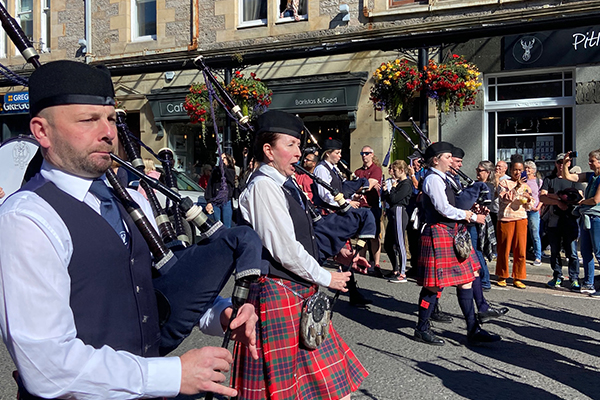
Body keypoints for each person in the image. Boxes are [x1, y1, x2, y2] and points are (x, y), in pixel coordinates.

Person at [0, 60, 260, 399]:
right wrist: (173, 374)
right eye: (88, 119)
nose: (108, 131)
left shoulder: (129, 200)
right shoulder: (26, 218)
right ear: (42, 131)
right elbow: (47, 366)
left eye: (109, 117)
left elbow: (151, 288)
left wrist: (220, 312)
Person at [236, 110, 368, 399]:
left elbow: (304, 234)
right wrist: (326, 277)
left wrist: (341, 253)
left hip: (298, 292)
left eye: (299, 145)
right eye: (291, 145)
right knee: (297, 391)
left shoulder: (285, 183)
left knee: (336, 387)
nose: (300, 153)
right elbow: (284, 249)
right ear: (269, 150)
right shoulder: (263, 187)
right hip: (278, 294)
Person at [414, 141, 500, 346]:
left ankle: (473, 329)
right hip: (438, 232)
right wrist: (470, 216)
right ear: (436, 160)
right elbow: (443, 208)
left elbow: (456, 203)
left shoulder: (446, 179)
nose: (451, 160)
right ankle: (422, 328)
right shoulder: (433, 179)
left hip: (452, 232)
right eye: (447, 157)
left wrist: (476, 208)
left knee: (467, 279)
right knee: (433, 286)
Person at [539, 153, 584, 291]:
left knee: (572, 252)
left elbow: (580, 197)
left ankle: (574, 278)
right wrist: (558, 202)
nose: (561, 164)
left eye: (564, 162)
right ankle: (557, 276)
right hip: (554, 220)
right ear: (555, 163)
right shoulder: (549, 179)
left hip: (570, 219)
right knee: (555, 251)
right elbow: (542, 197)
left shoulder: (574, 179)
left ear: (569, 163)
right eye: (559, 162)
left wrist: (564, 198)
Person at [561, 150, 600, 295]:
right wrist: (566, 163)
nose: (589, 163)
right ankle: (589, 283)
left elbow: (596, 200)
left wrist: (581, 201)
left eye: (592, 160)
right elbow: (569, 176)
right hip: (587, 217)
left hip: (597, 218)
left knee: (599, 252)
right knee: (585, 252)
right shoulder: (591, 176)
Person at [496, 157, 533, 289]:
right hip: (506, 219)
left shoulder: (526, 186)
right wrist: (516, 186)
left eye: (520, 170)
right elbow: (504, 198)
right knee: (504, 249)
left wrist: (529, 200)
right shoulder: (504, 183)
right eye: (515, 170)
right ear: (510, 170)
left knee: (521, 250)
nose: (518, 173)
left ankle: (518, 276)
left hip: (521, 219)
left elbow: (530, 206)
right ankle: (502, 275)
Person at [354, 145, 384, 276]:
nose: (364, 155)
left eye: (367, 153)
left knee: (374, 236)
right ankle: (362, 261)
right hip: (360, 207)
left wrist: (361, 188)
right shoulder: (357, 172)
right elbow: (352, 188)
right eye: (362, 153)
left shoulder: (376, 170)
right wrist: (360, 189)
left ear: (372, 154)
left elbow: (370, 185)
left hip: (372, 207)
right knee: (361, 235)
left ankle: (376, 263)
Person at [382, 160, 412, 283]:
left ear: (401, 170)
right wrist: (385, 191)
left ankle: (403, 272)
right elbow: (389, 199)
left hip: (400, 211)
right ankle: (395, 268)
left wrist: (393, 188)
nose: (393, 173)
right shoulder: (399, 183)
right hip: (393, 212)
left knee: (400, 242)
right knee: (388, 243)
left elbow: (395, 199)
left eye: (395, 170)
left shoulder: (406, 184)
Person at [205, 153, 236, 228]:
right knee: (216, 225)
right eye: (221, 158)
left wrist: (223, 166)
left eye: (224, 158)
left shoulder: (231, 171)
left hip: (226, 201)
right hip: (216, 201)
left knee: (226, 225)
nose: (222, 160)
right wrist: (209, 201)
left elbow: (228, 177)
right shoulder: (215, 171)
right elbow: (210, 185)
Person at [524, 160, 543, 267]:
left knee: (535, 233)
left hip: (534, 211)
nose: (527, 170)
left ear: (534, 170)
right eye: (525, 168)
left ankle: (538, 256)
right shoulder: (522, 181)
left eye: (529, 168)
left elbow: (542, 196)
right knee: (523, 233)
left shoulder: (538, 181)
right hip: (523, 210)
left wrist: (538, 207)